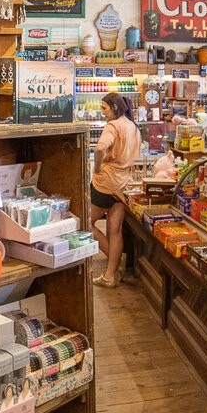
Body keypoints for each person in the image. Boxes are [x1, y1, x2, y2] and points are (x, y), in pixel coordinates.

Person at [89, 91, 141, 288]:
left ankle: (114, 263)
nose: (103, 112)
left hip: (105, 184)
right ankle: (110, 274)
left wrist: (97, 168)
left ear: (115, 107)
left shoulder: (113, 126)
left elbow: (100, 148)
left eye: (104, 108)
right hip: (122, 183)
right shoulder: (133, 127)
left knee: (87, 223)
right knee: (115, 229)